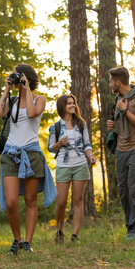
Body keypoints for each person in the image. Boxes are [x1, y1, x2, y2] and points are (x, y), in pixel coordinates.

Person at [0, 63, 57, 255]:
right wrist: (6, 90)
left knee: (31, 200)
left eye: (17, 76)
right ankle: (17, 239)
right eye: (13, 76)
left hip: (31, 154)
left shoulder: (39, 99)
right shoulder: (12, 101)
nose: (14, 79)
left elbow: (31, 113)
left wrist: (26, 89)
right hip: (11, 153)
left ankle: (28, 242)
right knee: (11, 201)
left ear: (27, 77)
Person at [106, 66, 135, 240]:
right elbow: (122, 123)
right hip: (121, 150)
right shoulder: (119, 99)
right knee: (124, 191)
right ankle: (130, 227)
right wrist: (114, 125)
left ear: (118, 82)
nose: (110, 84)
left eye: (111, 81)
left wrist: (125, 112)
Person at [48, 94, 96, 244]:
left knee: (78, 200)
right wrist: (60, 143)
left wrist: (90, 156)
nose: (72, 105)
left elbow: (87, 145)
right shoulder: (55, 127)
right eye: (69, 103)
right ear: (62, 106)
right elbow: (51, 148)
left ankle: (75, 235)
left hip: (80, 163)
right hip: (63, 165)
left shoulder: (81, 124)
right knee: (61, 201)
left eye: (73, 103)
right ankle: (59, 231)